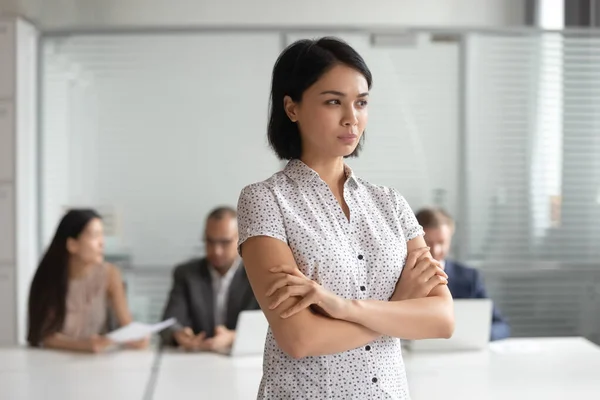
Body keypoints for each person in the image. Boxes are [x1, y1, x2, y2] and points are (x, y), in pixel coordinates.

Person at [236, 37, 454, 399]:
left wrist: (343, 308)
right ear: (292, 108)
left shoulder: (391, 204)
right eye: (333, 101)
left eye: (362, 102)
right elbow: (301, 338)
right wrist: (399, 308)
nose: (352, 118)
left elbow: (442, 320)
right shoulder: (264, 200)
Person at [27, 209, 149, 353]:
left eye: (102, 235)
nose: (101, 243)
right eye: (94, 236)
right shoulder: (49, 277)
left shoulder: (110, 274)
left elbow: (126, 324)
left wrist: (137, 337)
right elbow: (45, 336)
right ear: (72, 245)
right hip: (53, 362)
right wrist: (82, 345)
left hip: (97, 365)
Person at [160, 206, 259, 353]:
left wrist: (234, 337)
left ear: (241, 239)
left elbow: (270, 327)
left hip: (243, 361)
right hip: (197, 360)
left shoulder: (256, 274)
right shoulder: (186, 274)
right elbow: (170, 323)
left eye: (225, 242)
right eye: (210, 242)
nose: (216, 251)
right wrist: (179, 335)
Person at [415, 207, 511, 341]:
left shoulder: (469, 277)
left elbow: (501, 326)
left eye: (441, 242)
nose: (436, 250)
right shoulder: (400, 278)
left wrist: (476, 336)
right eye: (428, 243)